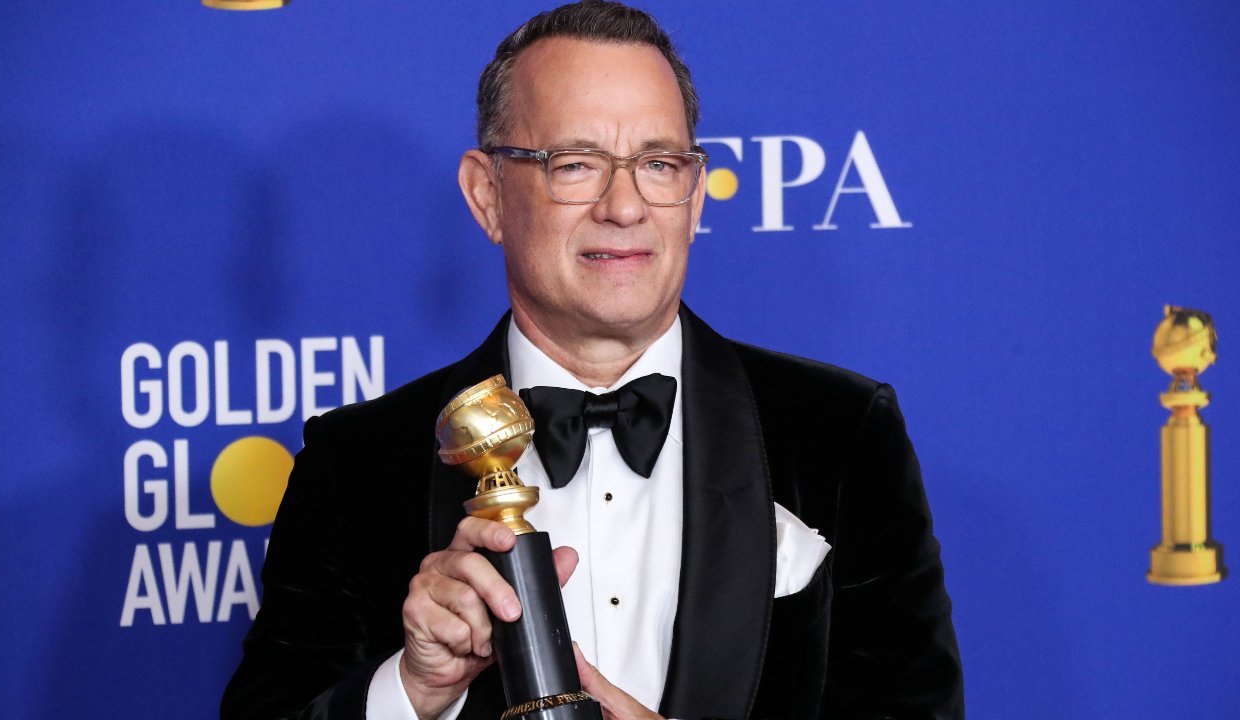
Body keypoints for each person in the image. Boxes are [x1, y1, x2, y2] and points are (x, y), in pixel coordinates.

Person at [221, 2, 963, 719]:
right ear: (487, 195)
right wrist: (413, 690)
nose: (625, 206)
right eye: (575, 164)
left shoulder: (840, 434)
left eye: (658, 164)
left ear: (696, 195)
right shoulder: (356, 462)